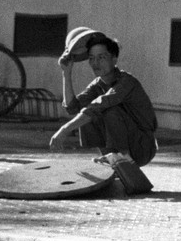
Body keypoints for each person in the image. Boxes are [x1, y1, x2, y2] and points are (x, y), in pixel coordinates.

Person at [50, 33, 158, 167]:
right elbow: (72, 108)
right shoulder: (97, 84)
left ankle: (123, 157)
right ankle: (111, 157)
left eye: (101, 57)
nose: (95, 63)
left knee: (104, 110)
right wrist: (66, 73)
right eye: (91, 58)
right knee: (86, 112)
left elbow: (99, 105)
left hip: (143, 146)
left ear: (114, 59)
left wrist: (64, 130)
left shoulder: (127, 82)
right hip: (126, 144)